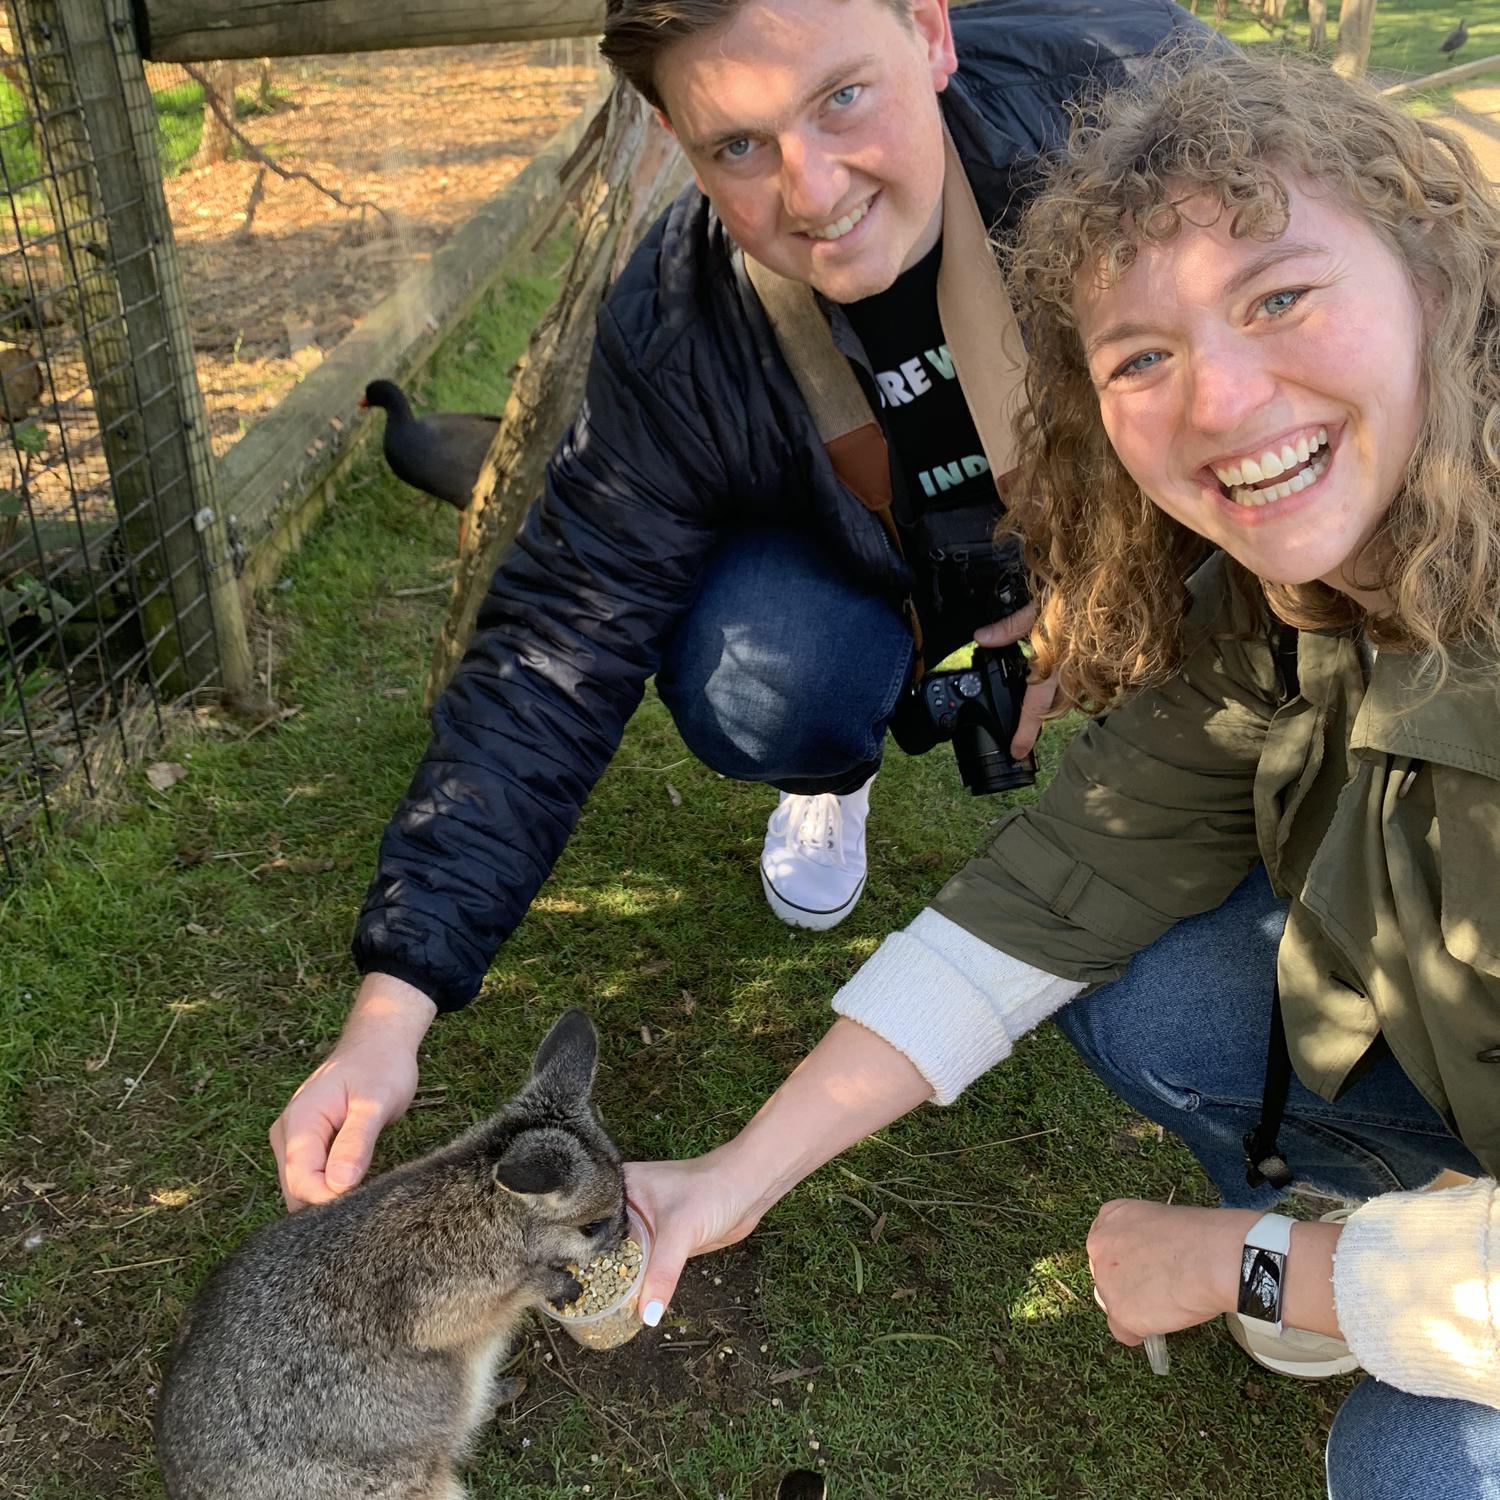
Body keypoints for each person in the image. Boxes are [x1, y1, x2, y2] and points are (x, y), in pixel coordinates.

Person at [626, 43, 1500, 1499]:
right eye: (1142, 357)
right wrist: (733, 1176)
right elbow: (1065, 878)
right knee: (1153, 988)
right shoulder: (1291, 599)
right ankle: (1396, 1232)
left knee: (1417, 1466)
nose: (1218, 400)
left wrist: (1262, 1265)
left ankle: (1362, 1259)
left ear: (1434, 276)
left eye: (1279, 296)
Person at [270, 0, 1202, 1209]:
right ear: (671, 136)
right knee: (757, 672)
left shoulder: (1130, 106)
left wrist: (1124, 599)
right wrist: (390, 1012)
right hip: (870, 567)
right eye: (740, 148)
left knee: (1186, 880)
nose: (812, 192)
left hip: (1125, 528)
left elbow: (1324, 412)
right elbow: (558, 645)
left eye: (843, 98)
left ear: (928, 29)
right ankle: (834, 768)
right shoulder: (677, 318)